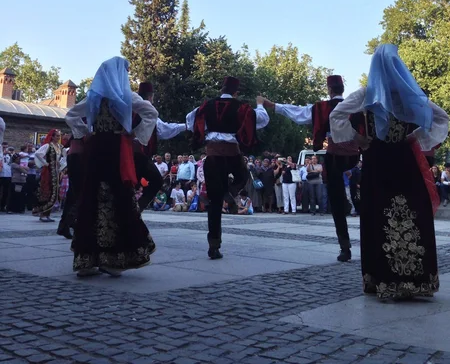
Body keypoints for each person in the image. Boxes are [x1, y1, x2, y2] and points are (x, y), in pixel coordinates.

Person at [330, 44, 449, 300]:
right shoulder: (410, 95)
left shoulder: (367, 94)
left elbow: (337, 115)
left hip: (377, 161)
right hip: (405, 161)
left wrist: (358, 139)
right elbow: (441, 118)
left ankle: (382, 279)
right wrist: (416, 137)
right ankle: (417, 280)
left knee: (378, 216)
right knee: (413, 213)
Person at [65, 56, 158, 277]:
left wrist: (85, 132)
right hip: (116, 149)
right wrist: (136, 134)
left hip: (95, 150)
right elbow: (151, 113)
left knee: (92, 196)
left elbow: (70, 115)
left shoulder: (94, 97)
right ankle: (114, 259)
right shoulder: (126, 96)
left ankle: (87, 260)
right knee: (118, 196)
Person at [261, 74, 364, 262]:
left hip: (335, 156)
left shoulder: (322, 108)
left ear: (330, 90)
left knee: (336, 199)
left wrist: (272, 105)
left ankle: (345, 246)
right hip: (355, 156)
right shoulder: (356, 106)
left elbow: (298, 112)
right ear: (342, 89)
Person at [187, 76, 269, 259]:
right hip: (232, 154)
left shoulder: (206, 106)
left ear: (221, 89)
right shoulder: (242, 107)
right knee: (243, 176)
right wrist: (260, 104)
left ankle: (213, 246)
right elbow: (262, 120)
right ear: (236, 92)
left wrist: (205, 131)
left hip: (213, 156)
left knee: (214, 204)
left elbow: (189, 119)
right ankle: (229, 192)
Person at [134, 82, 186, 212]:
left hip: (124, 153)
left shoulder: (129, 106)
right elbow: (164, 130)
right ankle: (136, 209)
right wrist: (185, 126)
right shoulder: (148, 110)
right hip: (139, 154)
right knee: (156, 181)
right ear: (151, 96)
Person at [57, 136, 86, 239]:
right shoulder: (85, 123)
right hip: (80, 157)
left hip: (75, 156)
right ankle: (68, 223)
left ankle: (66, 223)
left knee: (73, 194)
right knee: (79, 193)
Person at [33, 129, 63, 222]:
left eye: (59, 136)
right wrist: (45, 163)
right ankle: (42, 214)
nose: (58, 137)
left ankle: (48, 214)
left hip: (56, 172)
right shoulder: (48, 145)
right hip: (49, 172)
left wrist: (61, 165)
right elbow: (38, 154)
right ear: (52, 136)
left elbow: (64, 157)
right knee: (47, 191)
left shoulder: (59, 146)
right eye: (57, 136)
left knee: (54, 192)